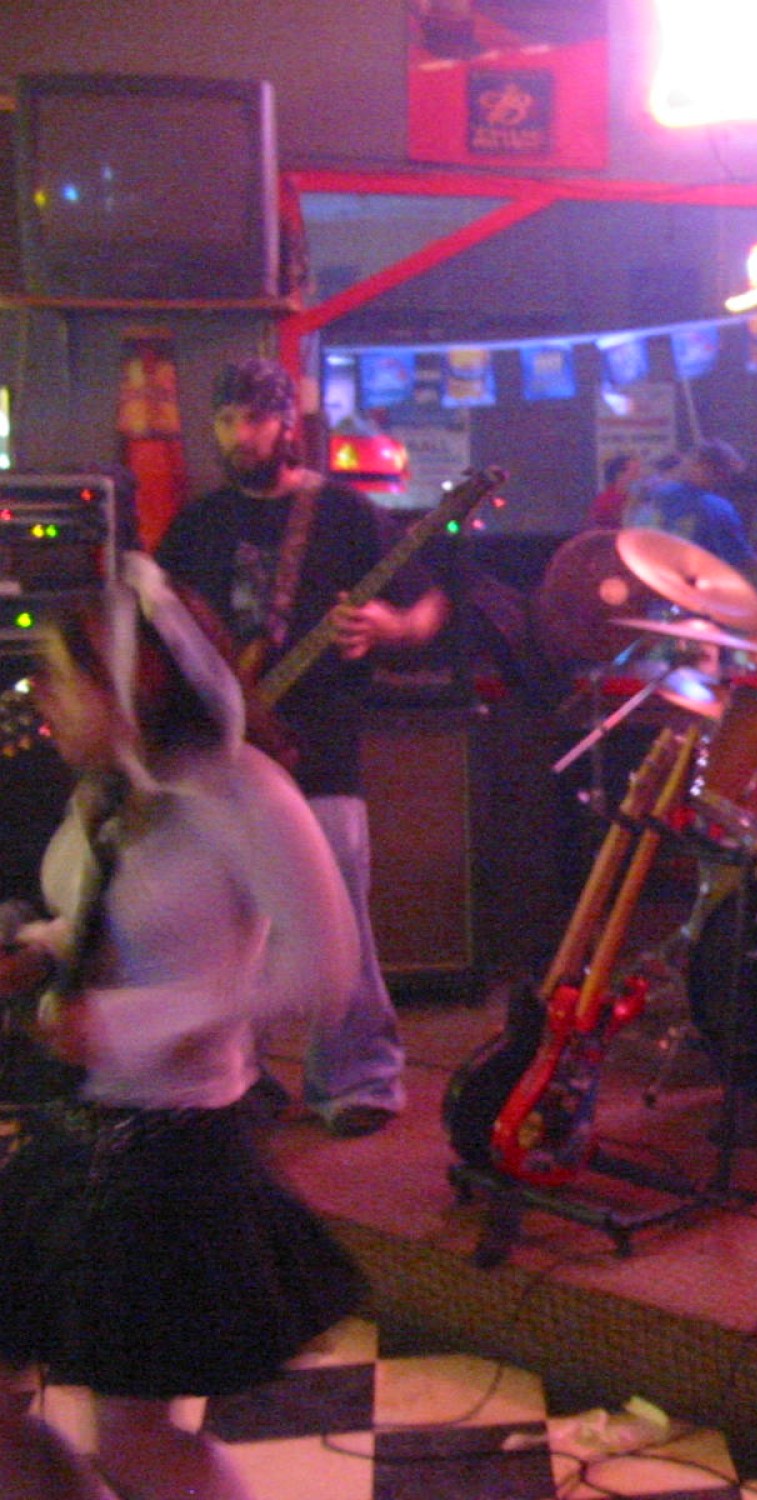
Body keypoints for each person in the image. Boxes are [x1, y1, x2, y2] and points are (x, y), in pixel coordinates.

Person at [0, 555, 365, 1500]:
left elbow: (323, 970)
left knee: (136, 1444)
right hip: (71, 1137)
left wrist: (134, 1025)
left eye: (60, 678)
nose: (41, 698)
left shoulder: (246, 793)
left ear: (136, 683)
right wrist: (38, 951)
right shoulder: (111, 787)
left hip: (170, 1155)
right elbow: (104, 916)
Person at [156, 358, 447, 1137]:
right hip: (222, 759)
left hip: (319, 751)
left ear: (287, 424)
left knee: (338, 926)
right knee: (225, 936)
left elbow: (427, 606)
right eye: (225, 421)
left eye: (253, 420)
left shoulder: (343, 513)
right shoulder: (198, 525)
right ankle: (236, 1079)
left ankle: (359, 1079)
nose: (238, 437)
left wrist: (390, 626)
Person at [622, 437, 757, 595]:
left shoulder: (652, 495)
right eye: (727, 475)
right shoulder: (716, 509)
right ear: (715, 471)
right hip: (693, 597)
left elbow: (630, 531)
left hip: (644, 589)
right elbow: (742, 559)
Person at [588, 452, 642, 529]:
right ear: (619, 474)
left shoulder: (636, 496)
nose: (639, 475)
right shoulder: (605, 501)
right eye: (635, 471)